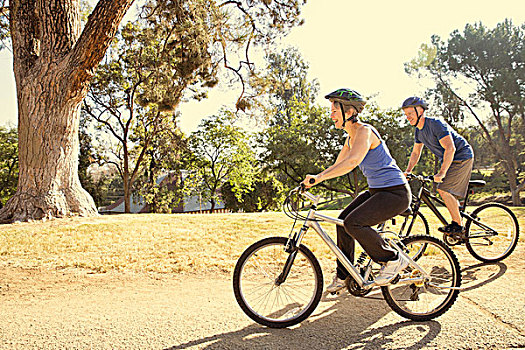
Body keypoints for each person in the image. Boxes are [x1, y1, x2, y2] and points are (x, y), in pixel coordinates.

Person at [302, 88, 411, 293]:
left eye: (335, 109)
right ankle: (345, 274)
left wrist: (320, 177)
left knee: (355, 222)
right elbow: (338, 165)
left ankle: (392, 259)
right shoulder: (350, 138)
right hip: (378, 191)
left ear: (350, 112)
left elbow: (352, 162)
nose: (331, 114)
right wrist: (314, 179)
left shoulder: (364, 131)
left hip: (395, 193)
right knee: (343, 221)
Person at [401, 97, 474, 236]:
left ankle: (458, 226)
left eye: (410, 113)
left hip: (462, 156)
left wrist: (441, 173)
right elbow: (416, 152)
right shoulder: (418, 131)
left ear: (420, 111)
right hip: (449, 159)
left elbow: (450, 148)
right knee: (445, 191)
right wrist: (408, 171)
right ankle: (457, 215)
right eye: (406, 114)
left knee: (443, 190)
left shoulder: (435, 124)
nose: (407, 117)